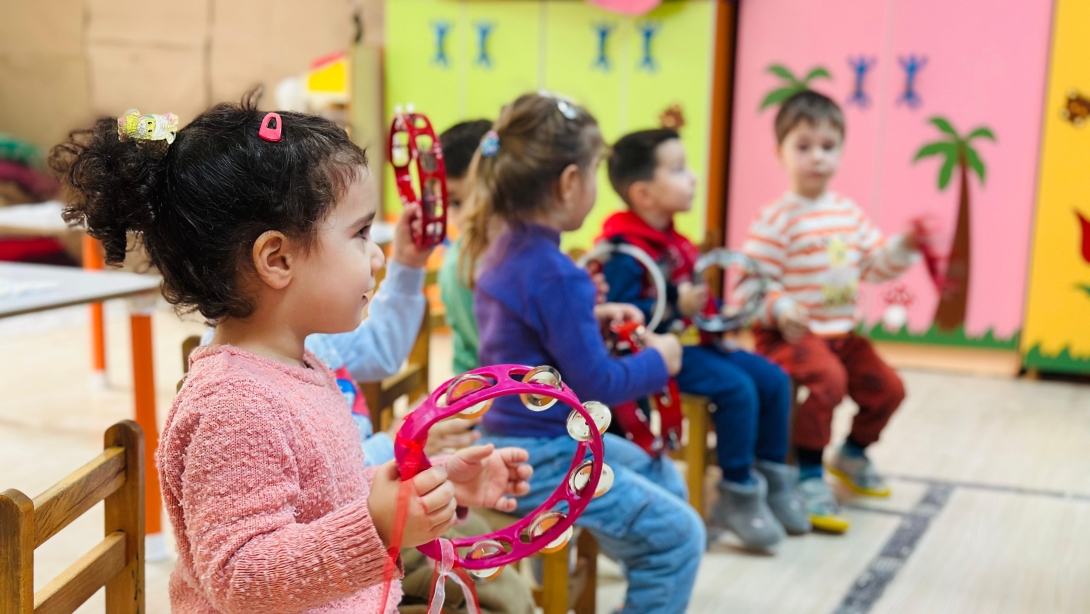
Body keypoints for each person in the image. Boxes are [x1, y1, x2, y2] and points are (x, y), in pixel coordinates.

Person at [51, 95, 532, 613]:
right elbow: (241, 578)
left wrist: (431, 481)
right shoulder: (232, 407)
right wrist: (377, 524)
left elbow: (325, 494)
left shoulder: (296, 367)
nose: (377, 256)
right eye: (361, 233)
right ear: (276, 259)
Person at [461, 92, 704, 614]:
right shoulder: (558, 273)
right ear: (570, 182)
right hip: (545, 457)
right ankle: (654, 557)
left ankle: (642, 547)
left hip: (516, 439)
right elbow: (597, 387)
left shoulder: (503, 246)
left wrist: (586, 318)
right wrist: (662, 358)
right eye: (595, 172)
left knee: (662, 474)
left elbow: (524, 331)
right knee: (682, 538)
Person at [600, 128, 809, 550]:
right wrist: (678, 302)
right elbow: (623, 316)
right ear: (643, 194)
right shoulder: (623, 249)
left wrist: (718, 316)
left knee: (773, 378)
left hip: (694, 345)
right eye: (678, 170)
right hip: (658, 355)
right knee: (738, 388)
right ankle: (737, 489)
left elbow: (700, 295)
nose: (692, 177)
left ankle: (773, 480)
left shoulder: (674, 241)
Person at [738, 90, 922, 532]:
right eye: (803, 146)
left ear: (840, 150)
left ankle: (853, 453)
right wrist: (779, 307)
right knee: (829, 381)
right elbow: (749, 285)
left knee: (890, 388)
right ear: (779, 152)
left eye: (827, 146)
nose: (817, 157)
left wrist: (901, 248)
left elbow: (874, 267)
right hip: (790, 335)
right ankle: (807, 472)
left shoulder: (847, 214)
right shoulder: (776, 218)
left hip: (840, 333)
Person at [437, 119, 493, 375]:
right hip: (481, 396)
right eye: (453, 203)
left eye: (459, 202)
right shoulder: (463, 268)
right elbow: (494, 352)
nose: (457, 218)